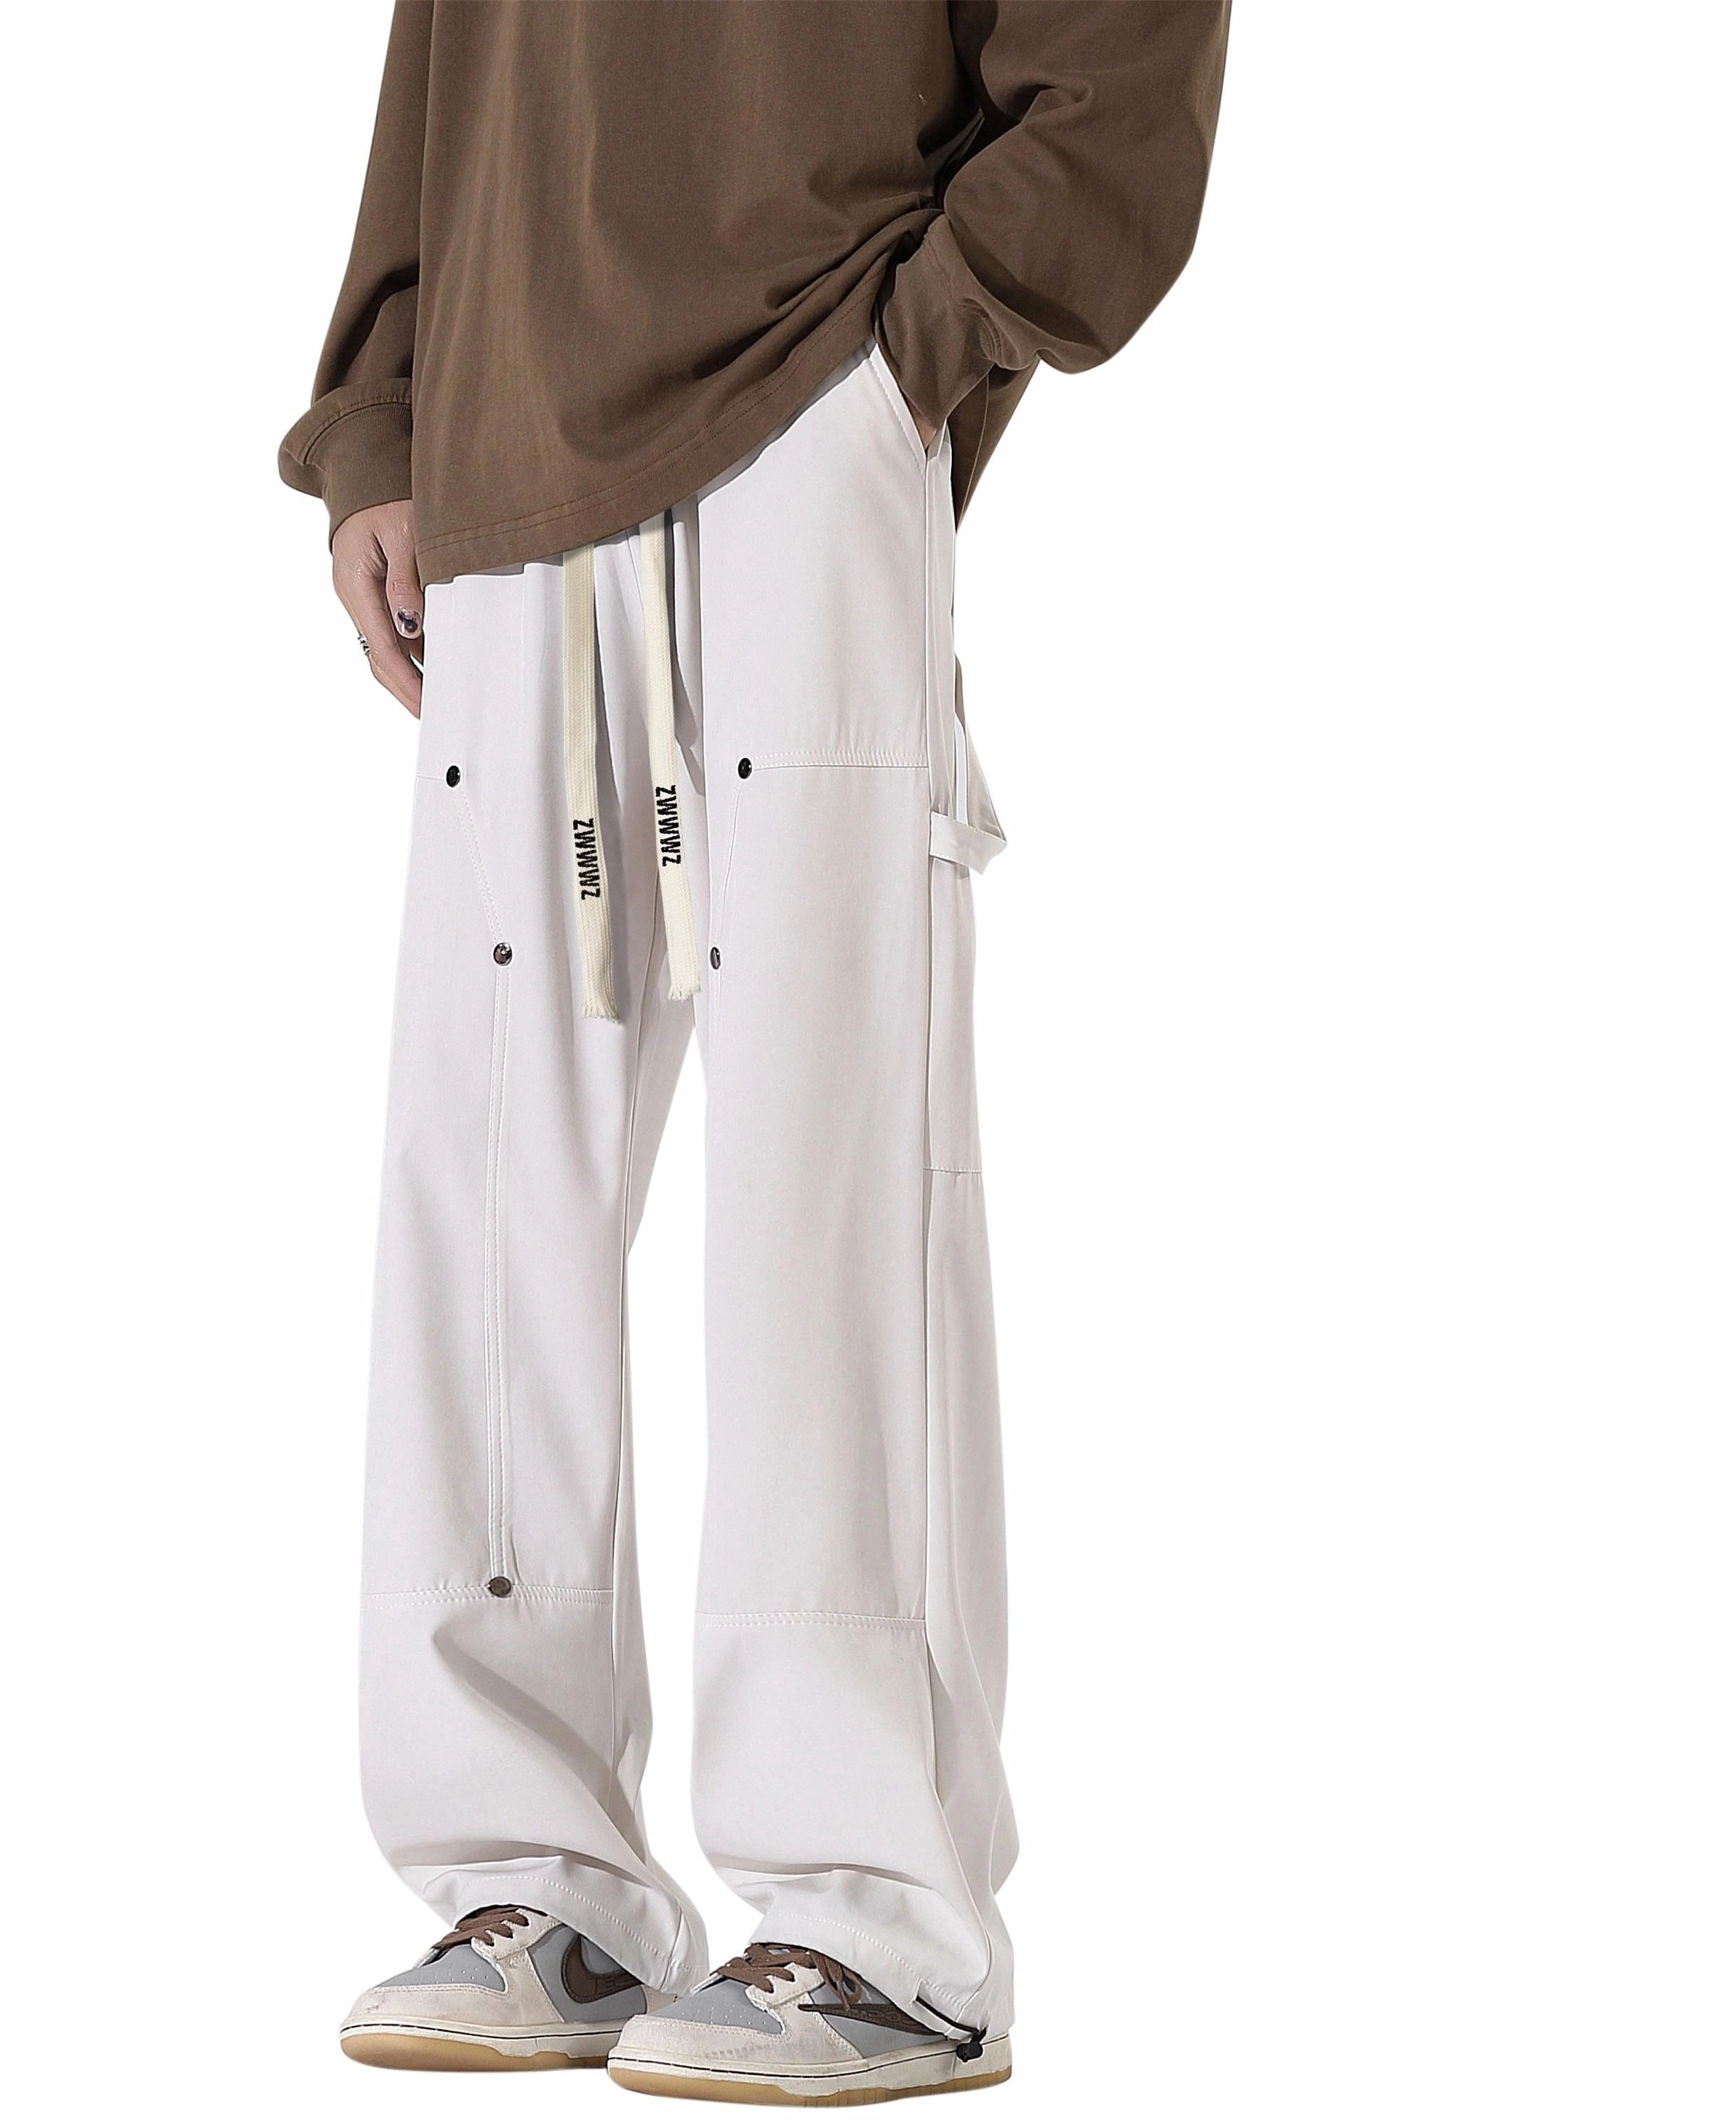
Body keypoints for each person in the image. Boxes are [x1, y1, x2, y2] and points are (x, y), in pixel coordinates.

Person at [280, 2, 1227, 2104]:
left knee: (830, 1148)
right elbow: (454, 44)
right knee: (487, 1165)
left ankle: (877, 1916)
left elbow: (1122, 55)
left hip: (816, 380)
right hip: (513, 433)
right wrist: (388, 412)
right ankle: (535, 1874)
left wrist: (923, 346)